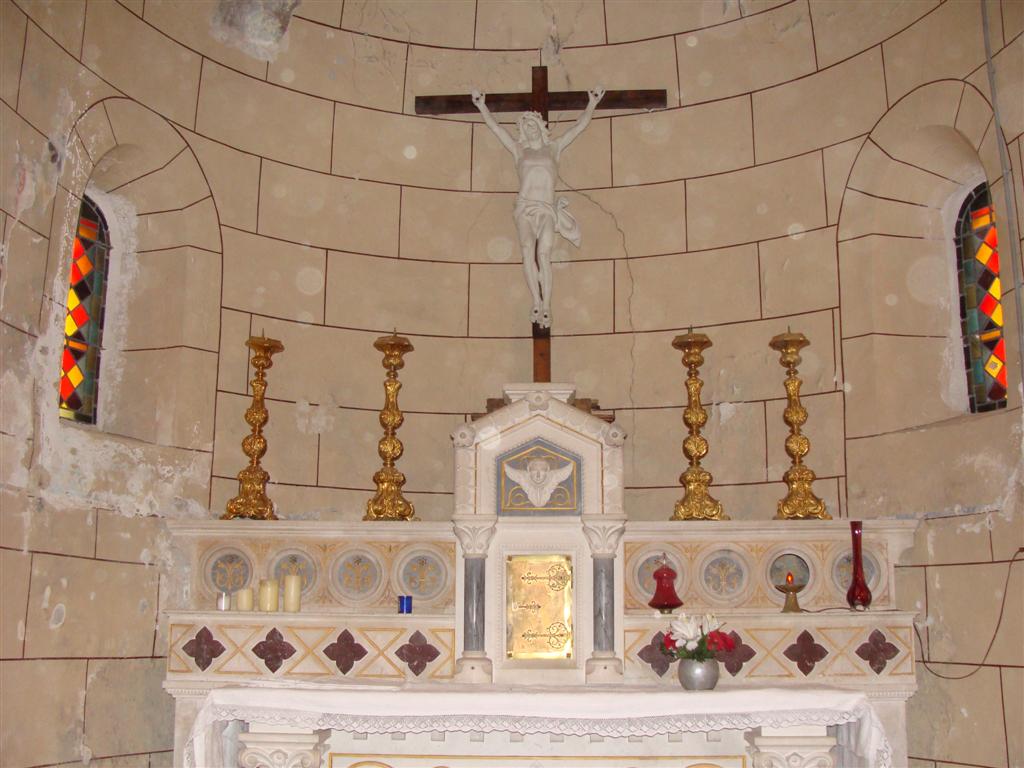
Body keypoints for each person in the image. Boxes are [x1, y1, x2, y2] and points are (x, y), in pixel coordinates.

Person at [471, 87, 606, 328]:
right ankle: (536, 299)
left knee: (544, 254)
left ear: (539, 127)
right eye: (525, 126)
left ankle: (546, 305)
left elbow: (578, 127)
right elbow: (497, 129)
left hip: (546, 209)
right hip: (525, 208)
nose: (529, 128)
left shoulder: (554, 148)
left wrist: (592, 104)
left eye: (532, 124)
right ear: (522, 131)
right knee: (526, 250)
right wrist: (482, 106)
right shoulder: (518, 150)